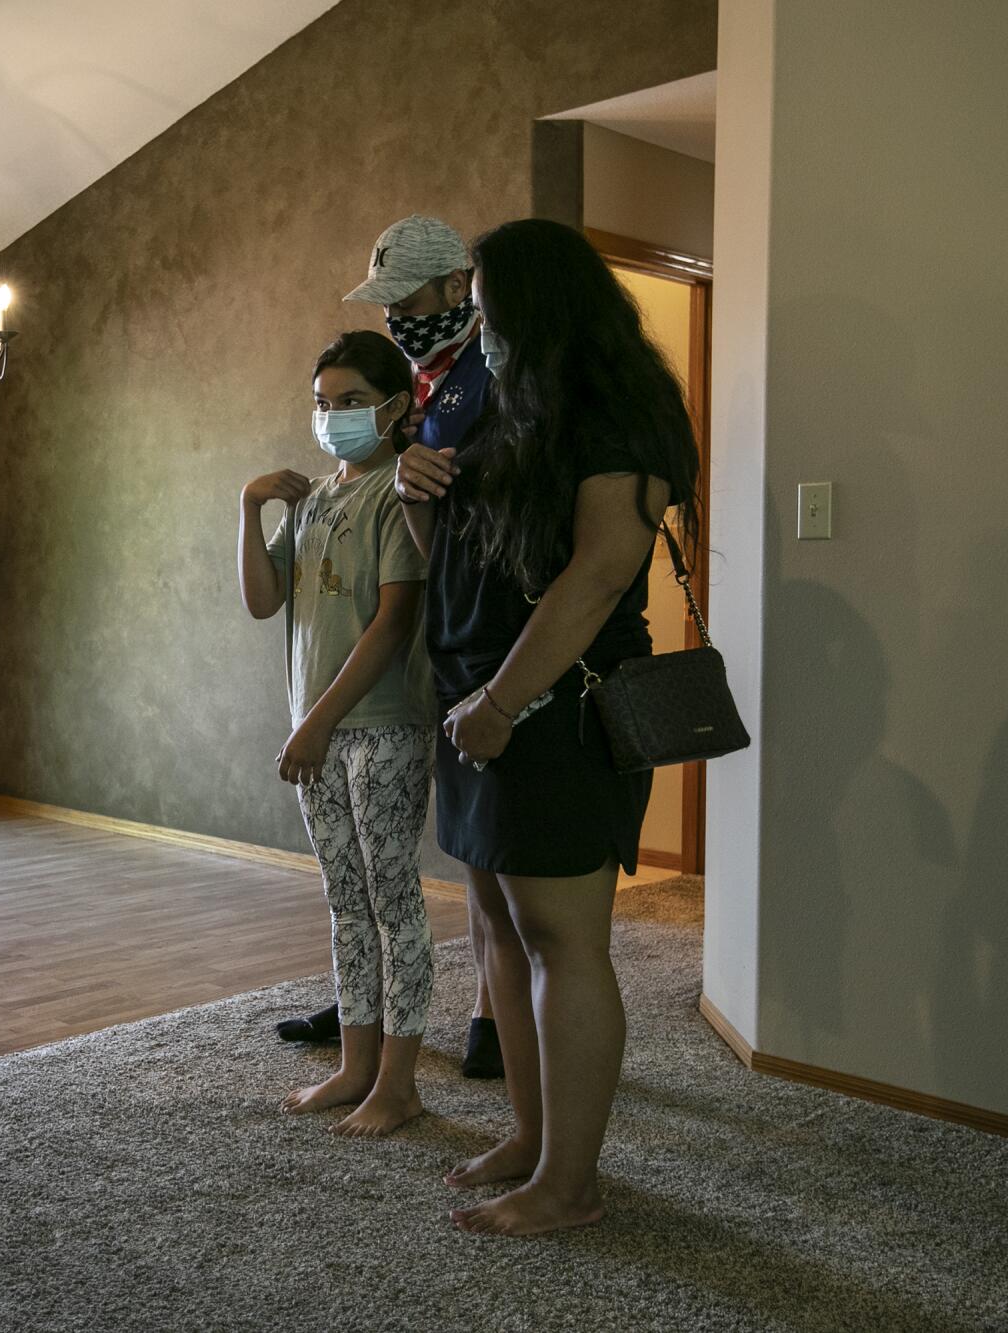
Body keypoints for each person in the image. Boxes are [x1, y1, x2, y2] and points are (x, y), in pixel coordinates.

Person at [394, 219, 700, 1235]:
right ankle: (530, 1138)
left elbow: (599, 573)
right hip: (477, 694)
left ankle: (568, 1187)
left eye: (486, 313)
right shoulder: (502, 402)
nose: (477, 332)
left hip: (552, 706)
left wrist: (497, 705)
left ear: (536, 308)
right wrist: (414, 495)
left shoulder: (615, 408)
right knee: (496, 928)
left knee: (562, 941)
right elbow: (464, 557)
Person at [276, 214, 502, 1081]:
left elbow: (399, 606)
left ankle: (479, 1020)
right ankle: (361, 1035)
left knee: (451, 876)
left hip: (445, 670)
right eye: (387, 306)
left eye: (406, 301)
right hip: (419, 670)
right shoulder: (416, 384)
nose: (397, 319)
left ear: (458, 287)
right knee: (358, 891)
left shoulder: (492, 379)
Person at [237, 331, 436, 1137]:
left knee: (395, 905)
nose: (334, 416)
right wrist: (249, 510)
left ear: (395, 404)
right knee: (345, 902)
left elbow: (394, 623)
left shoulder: (400, 493)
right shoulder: (316, 498)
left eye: (351, 401)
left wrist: (317, 724)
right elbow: (261, 599)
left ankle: (400, 1081)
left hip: (382, 730)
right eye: (323, 403)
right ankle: (355, 1065)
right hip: (317, 735)